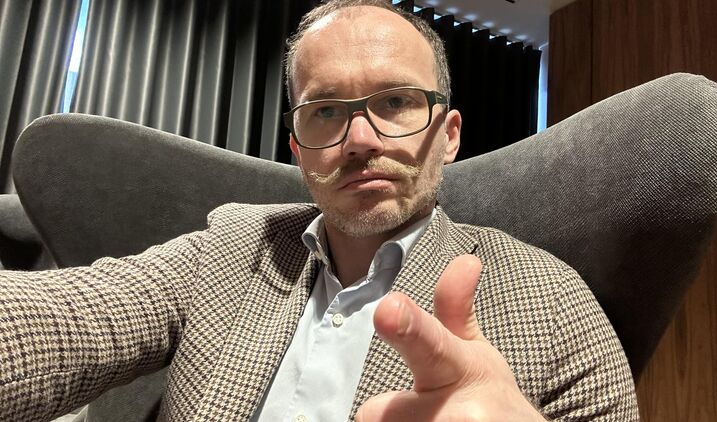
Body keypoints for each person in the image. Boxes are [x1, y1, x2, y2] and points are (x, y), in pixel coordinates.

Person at [0, 1, 638, 421]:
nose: (359, 139)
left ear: (448, 136)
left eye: (395, 102)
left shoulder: (549, 299)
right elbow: (61, 323)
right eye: (326, 110)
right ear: (299, 149)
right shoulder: (227, 248)